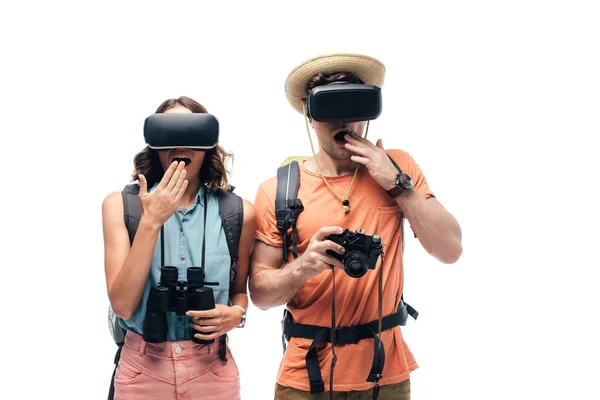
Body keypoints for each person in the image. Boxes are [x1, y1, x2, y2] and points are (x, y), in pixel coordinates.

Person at [248, 51, 463, 400]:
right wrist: (306, 265)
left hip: (385, 374)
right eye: (331, 109)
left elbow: (450, 249)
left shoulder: (399, 167)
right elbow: (261, 295)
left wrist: (397, 183)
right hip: (305, 377)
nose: (344, 122)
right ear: (309, 113)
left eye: (353, 107)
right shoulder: (279, 190)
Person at [102, 96, 256, 400]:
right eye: (169, 133)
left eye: (191, 132)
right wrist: (150, 223)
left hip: (211, 367)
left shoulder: (239, 212)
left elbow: (240, 291)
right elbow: (122, 306)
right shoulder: (120, 206)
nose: (180, 142)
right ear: (154, 143)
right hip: (142, 367)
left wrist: (236, 314)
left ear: (208, 142)